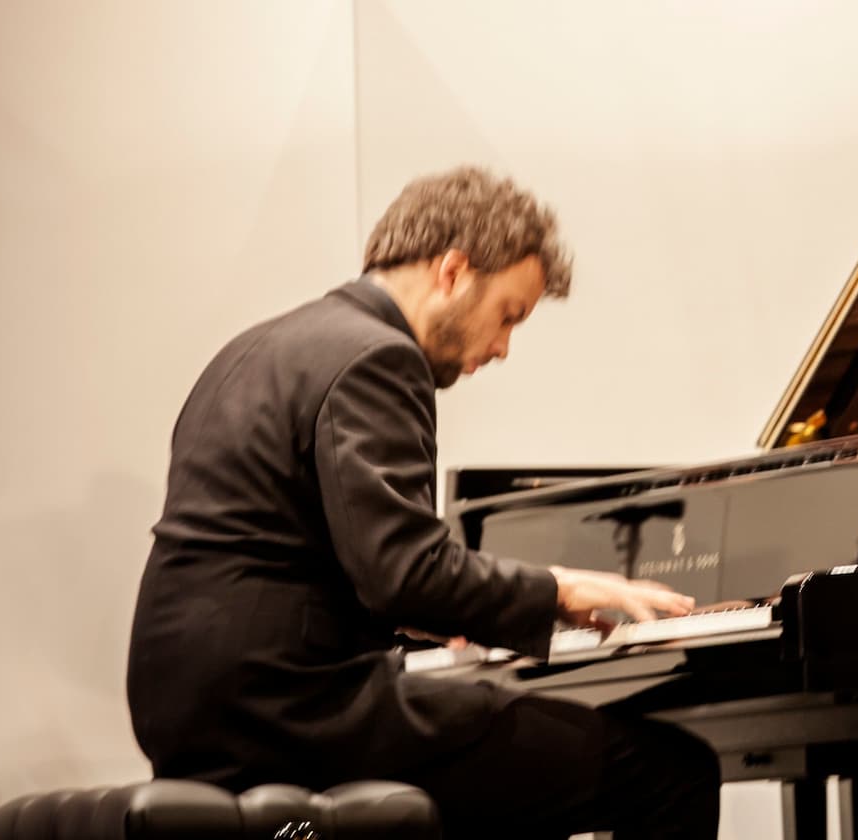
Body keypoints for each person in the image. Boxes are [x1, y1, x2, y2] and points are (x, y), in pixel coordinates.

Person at [125, 165, 721, 838]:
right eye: (507, 316)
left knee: (510, 759)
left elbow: (294, 558)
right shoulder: (376, 357)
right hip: (292, 715)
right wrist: (557, 589)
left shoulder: (256, 349)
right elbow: (403, 572)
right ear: (453, 271)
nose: (501, 348)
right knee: (669, 772)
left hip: (191, 713)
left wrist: (431, 618)